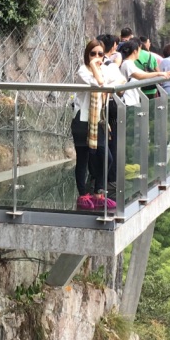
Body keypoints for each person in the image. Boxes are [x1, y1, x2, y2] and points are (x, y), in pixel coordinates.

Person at [73, 39, 120, 211]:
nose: (97, 57)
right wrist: (93, 65)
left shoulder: (105, 70)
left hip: (98, 121)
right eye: (93, 53)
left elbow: (119, 81)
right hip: (82, 120)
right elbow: (99, 83)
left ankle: (99, 192)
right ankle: (83, 195)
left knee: (107, 157)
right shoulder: (82, 71)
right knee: (83, 159)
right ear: (87, 54)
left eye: (100, 54)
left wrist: (102, 70)